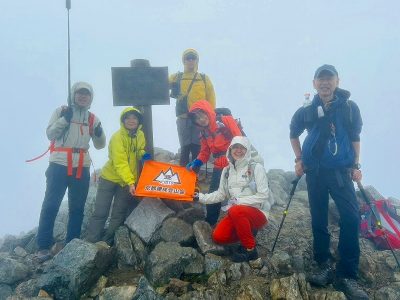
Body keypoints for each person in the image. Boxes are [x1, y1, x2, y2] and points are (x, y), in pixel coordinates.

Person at [290, 65, 368, 299]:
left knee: (351, 218)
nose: (325, 83)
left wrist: (356, 165)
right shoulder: (306, 109)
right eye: (320, 79)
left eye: (329, 79)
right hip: (315, 172)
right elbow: (293, 132)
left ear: (337, 81)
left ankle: (347, 275)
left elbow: (355, 137)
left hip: (341, 173)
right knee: (319, 219)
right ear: (314, 83)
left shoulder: (349, 108)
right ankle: (323, 265)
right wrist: (299, 159)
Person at [36, 82, 106, 262]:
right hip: (59, 164)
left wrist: (99, 132)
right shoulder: (61, 112)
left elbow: (100, 145)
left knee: (77, 208)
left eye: (86, 94)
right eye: (79, 93)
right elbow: (50, 134)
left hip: (81, 166)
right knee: (51, 204)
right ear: (73, 95)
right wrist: (65, 119)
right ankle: (43, 246)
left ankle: (71, 243)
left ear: (91, 98)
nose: (83, 96)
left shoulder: (93, 119)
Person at [196, 136, 272, 262]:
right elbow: (220, 194)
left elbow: (264, 195)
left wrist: (239, 202)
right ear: (230, 150)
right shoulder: (226, 171)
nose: (238, 150)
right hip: (238, 213)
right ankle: (246, 234)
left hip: (258, 213)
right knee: (219, 237)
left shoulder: (255, 167)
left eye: (242, 148)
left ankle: (250, 250)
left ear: (247, 150)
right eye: (235, 147)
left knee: (236, 210)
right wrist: (199, 197)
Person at [187, 100, 242, 225]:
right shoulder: (203, 132)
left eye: (202, 115)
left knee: (238, 195)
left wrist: (233, 161)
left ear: (208, 111)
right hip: (219, 164)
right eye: (197, 118)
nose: (201, 119)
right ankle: (210, 224)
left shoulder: (225, 120)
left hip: (235, 163)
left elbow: (240, 141)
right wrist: (196, 162)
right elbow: (205, 152)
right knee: (214, 193)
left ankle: (242, 229)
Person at [169, 48, 216, 167]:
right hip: (183, 117)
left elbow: (211, 98)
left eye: (193, 58)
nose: (190, 61)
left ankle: (193, 180)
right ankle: (183, 179)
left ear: (197, 60)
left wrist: (211, 118)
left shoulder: (204, 78)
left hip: (199, 119)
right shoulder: (177, 77)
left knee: (197, 147)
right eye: (187, 58)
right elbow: (160, 83)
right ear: (183, 61)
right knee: (184, 147)